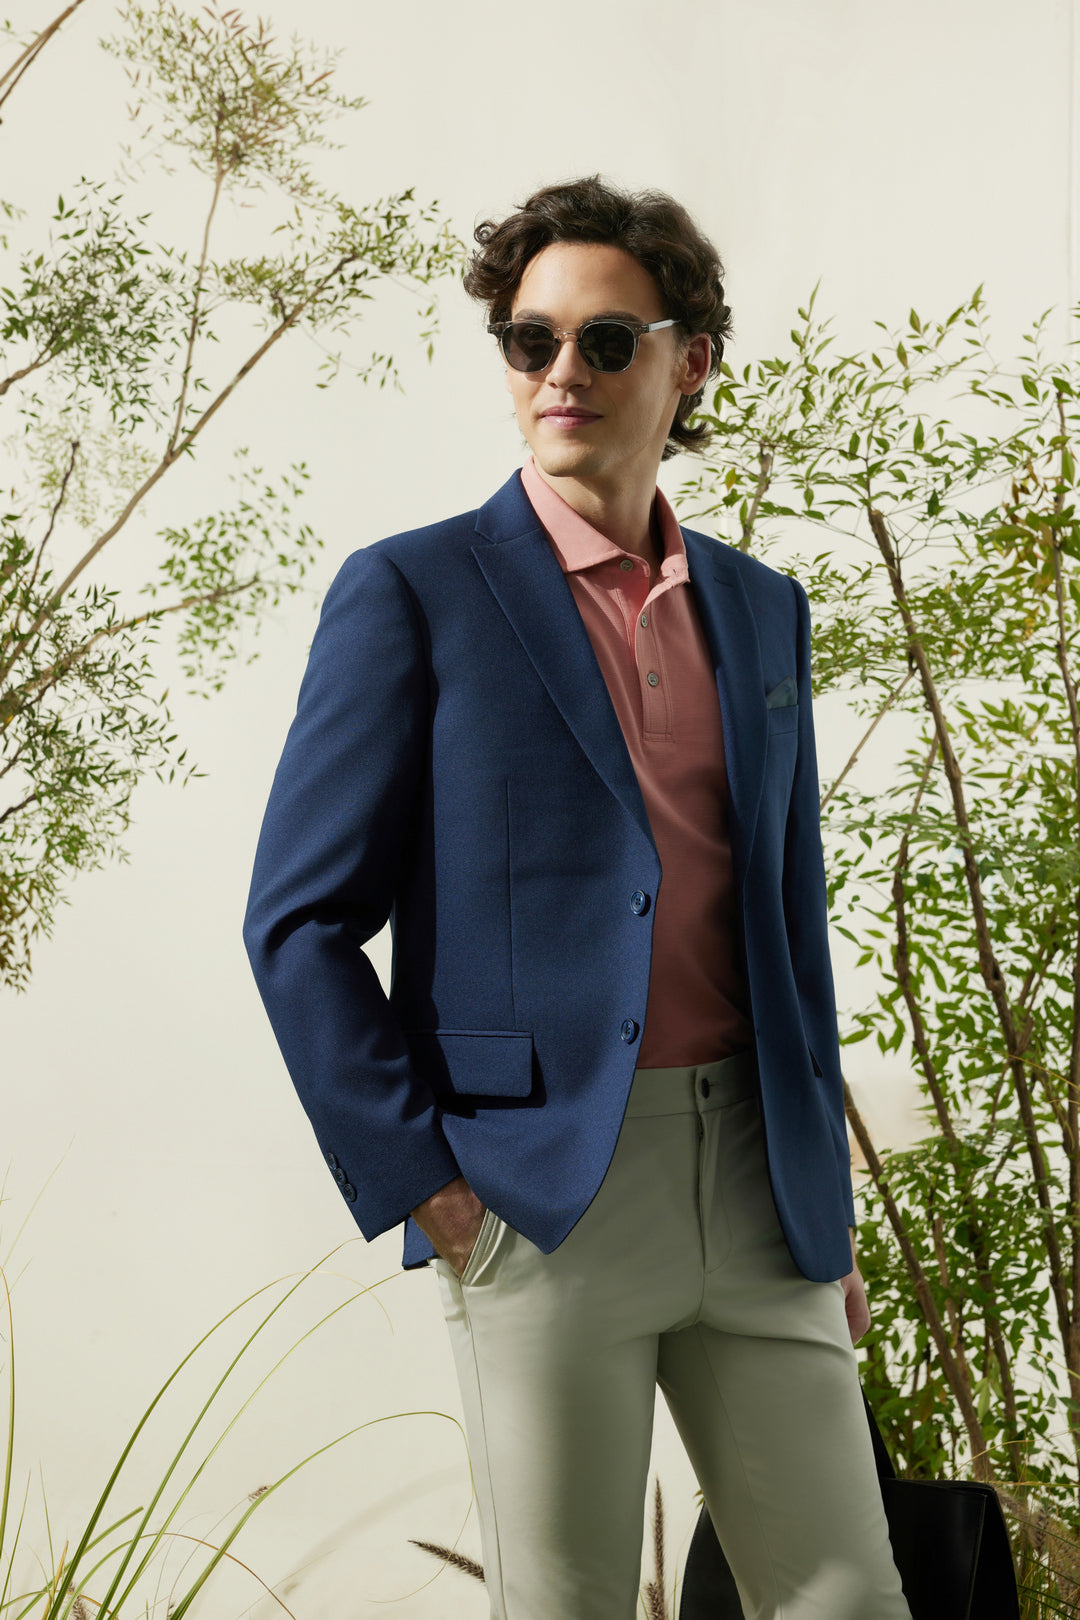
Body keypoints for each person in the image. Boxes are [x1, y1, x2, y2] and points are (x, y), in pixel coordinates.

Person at [242, 174, 912, 1620]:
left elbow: (786, 922)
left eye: (607, 341)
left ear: (690, 363)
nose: (562, 373)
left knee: (850, 1597)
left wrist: (827, 1214)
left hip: (760, 1183)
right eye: (529, 339)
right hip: (540, 1193)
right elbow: (297, 923)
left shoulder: (761, 607)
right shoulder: (413, 592)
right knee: (566, 1606)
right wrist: (428, 1183)